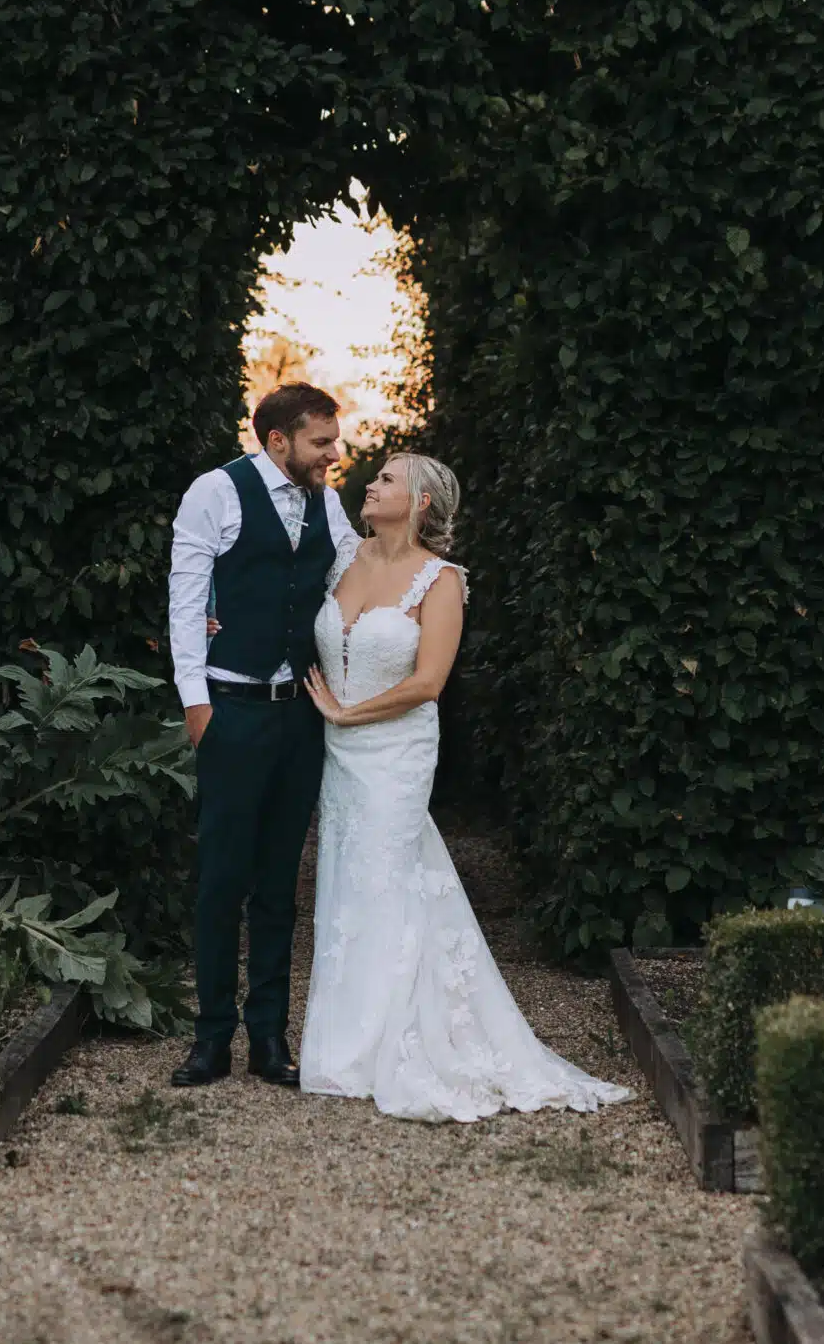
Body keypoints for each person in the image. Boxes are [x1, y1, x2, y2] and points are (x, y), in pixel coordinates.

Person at [296, 453, 631, 1121]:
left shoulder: (441, 580)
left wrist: (344, 712)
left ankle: (399, 1040)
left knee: (389, 875)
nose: (373, 485)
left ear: (420, 500)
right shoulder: (344, 558)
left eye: (388, 479)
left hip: (395, 749)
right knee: (348, 877)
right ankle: (343, 1045)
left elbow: (428, 683)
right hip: (341, 754)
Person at [165, 382, 359, 1087]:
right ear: (278, 440)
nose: (333, 454)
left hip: (299, 715)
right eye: (321, 443)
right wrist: (197, 703)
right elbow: (186, 599)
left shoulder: (327, 502)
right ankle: (210, 1036)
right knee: (221, 878)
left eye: (332, 442)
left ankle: (268, 1037)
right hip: (232, 709)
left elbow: (351, 574)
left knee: (280, 881)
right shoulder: (213, 492)